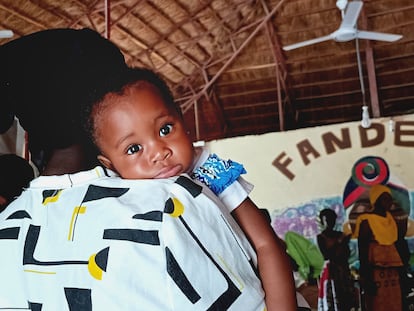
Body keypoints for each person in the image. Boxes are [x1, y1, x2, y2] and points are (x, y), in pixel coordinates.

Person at [82, 66, 297, 310]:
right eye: (134, 148)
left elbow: (266, 245)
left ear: (184, 123)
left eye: (165, 129)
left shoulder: (209, 172)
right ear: (110, 166)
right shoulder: (118, 204)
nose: (159, 152)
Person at [353, 184, 407, 311]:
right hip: (375, 273)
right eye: (385, 199)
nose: (389, 202)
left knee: (395, 303)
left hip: (393, 273)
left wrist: (403, 273)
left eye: (390, 199)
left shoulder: (391, 220)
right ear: (376, 199)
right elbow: (363, 250)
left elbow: (398, 243)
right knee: (378, 304)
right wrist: (366, 277)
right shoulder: (366, 221)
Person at [317, 208, 356, 311]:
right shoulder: (321, 237)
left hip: (343, 271)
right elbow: (327, 255)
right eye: (327, 220)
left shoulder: (340, 235)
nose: (330, 222)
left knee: (346, 301)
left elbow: (346, 254)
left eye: (331, 220)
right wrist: (340, 243)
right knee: (332, 301)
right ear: (322, 221)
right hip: (331, 272)